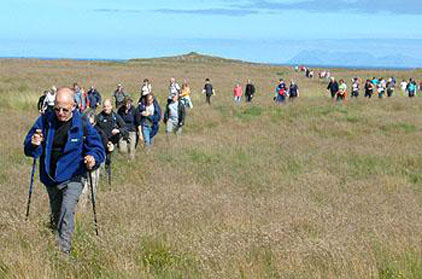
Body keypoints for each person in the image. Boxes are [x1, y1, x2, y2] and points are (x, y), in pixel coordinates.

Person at [24, 88, 105, 254]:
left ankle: (63, 254)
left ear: (74, 106)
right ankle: (54, 241)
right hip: (50, 176)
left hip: (74, 175)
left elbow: (97, 148)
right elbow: (29, 148)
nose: (60, 113)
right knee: (56, 217)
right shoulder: (45, 121)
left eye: (65, 109)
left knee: (66, 211)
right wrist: (34, 143)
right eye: (57, 108)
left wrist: (92, 158)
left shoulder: (82, 124)